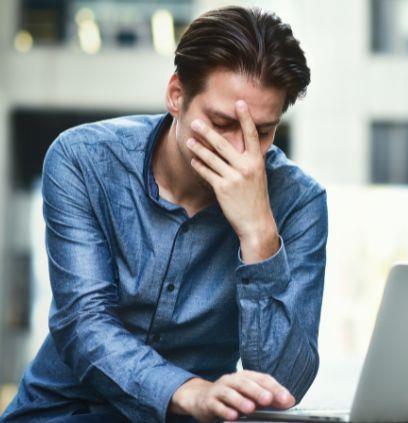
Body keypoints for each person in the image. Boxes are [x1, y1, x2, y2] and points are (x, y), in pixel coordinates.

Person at [1, 6, 327, 423]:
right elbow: (84, 325)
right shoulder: (82, 160)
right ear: (176, 95)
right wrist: (187, 391)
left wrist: (259, 233)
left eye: (261, 132)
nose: (239, 150)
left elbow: (283, 385)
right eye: (222, 122)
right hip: (62, 413)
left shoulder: (299, 203)